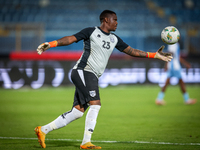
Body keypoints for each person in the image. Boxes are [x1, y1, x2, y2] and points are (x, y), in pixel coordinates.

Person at [35, 10, 172, 149]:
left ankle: (43, 130)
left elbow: (131, 51)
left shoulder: (114, 39)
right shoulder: (91, 32)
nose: (117, 23)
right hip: (83, 71)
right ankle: (86, 142)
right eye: (115, 19)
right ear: (106, 20)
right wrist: (51, 44)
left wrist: (154, 55)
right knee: (96, 104)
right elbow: (70, 39)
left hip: (92, 75)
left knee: (77, 111)